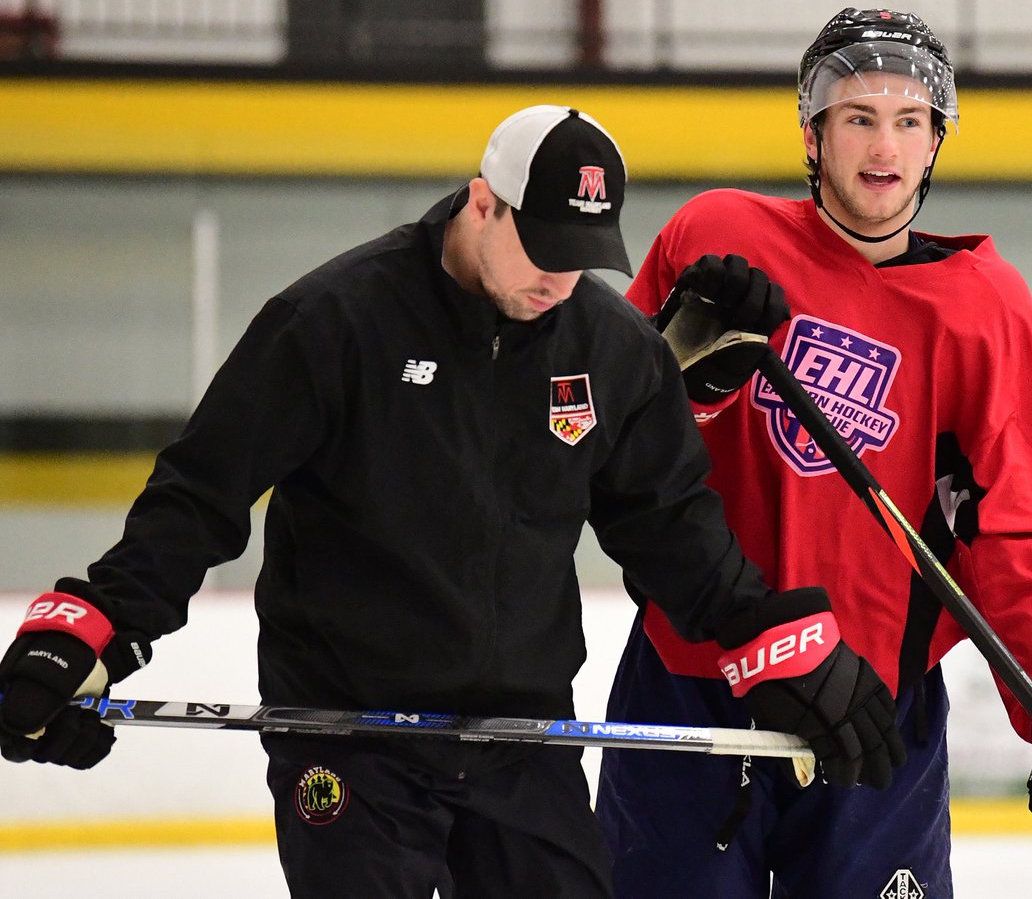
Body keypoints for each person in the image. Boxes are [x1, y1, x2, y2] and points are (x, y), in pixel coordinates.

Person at [0, 105, 904, 897]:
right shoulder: (337, 321)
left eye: (584, 255)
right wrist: (98, 624)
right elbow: (201, 496)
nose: (560, 278)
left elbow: (672, 528)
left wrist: (763, 635)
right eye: (544, 247)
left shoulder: (612, 348)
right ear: (483, 202)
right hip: (348, 735)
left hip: (522, 738)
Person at [596, 8, 1032, 898]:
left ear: (936, 142)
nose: (883, 145)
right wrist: (680, 386)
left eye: (909, 120)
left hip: (872, 714)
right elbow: (605, 448)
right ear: (814, 134)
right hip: (694, 687)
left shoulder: (989, 314)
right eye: (858, 117)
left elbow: (1021, 537)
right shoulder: (716, 239)